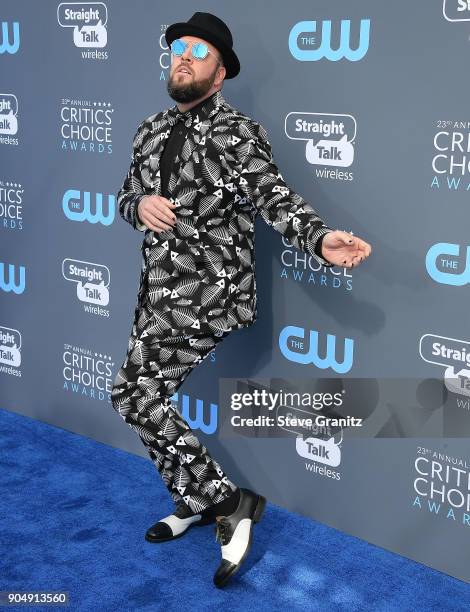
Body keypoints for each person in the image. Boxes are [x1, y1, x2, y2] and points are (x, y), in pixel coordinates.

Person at [111, 11, 372, 589]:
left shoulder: (235, 130)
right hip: (156, 293)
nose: (184, 55)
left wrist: (319, 238)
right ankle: (199, 500)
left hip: (208, 294)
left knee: (133, 392)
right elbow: (129, 191)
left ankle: (228, 502)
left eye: (199, 51)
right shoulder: (149, 128)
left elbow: (273, 196)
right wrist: (139, 207)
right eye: (179, 46)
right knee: (140, 394)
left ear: (220, 72)